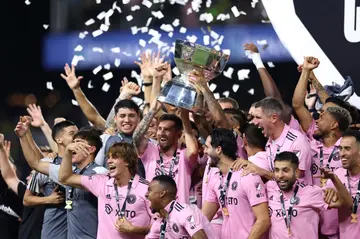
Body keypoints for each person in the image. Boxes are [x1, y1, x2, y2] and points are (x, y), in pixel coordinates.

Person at [59, 142, 152, 239]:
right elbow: (65, 178)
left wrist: (134, 229)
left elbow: (160, 225)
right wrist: (68, 151)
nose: (108, 161)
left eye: (114, 157)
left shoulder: (146, 188)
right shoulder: (101, 182)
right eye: (108, 157)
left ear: (127, 161)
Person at [202, 128, 270, 239]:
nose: (204, 152)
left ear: (218, 149)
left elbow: (263, 220)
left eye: (207, 147)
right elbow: (204, 218)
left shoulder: (247, 175)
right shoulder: (215, 177)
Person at [17, 118, 78, 239]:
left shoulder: (84, 163)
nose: (77, 137)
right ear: (59, 139)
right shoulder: (47, 165)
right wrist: (48, 199)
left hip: (80, 229)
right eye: (72, 134)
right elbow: (27, 199)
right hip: (54, 230)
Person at [267, 151, 352, 238]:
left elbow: (347, 203)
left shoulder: (312, 192)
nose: (280, 175)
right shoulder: (269, 188)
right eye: (277, 170)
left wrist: (334, 179)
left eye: (285, 170)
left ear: (296, 172)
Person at [133, 101, 199, 203]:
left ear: (178, 134)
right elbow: (136, 137)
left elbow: (194, 151)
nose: (161, 134)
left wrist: (184, 117)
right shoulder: (150, 150)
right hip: (152, 214)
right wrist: (153, 110)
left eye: (167, 130)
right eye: (159, 129)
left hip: (178, 216)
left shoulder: (183, 155)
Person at [252, 97, 313, 185]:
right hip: (278, 197)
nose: (254, 122)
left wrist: (263, 172)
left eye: (258, 117)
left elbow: (295, 178)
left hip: (297, 197)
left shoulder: (296, 141)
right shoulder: (270, 141)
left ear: (274, 118)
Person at [145, 175, 216, 239]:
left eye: (150, 190)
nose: (146, 194)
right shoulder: (160, 221)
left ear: (162, 193)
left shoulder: (186, 214)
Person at [94, 99, 146, 178]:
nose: (127, 120)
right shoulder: (104, 140)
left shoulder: (149, 143)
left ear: (138, 117)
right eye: (122, 116)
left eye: (131, 116)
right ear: (115, 118)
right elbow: (96, 171)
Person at [325, 129, 360, 238]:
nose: (342, 154)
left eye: (347, 149)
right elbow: (327, 199)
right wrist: (328, 193)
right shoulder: (337, 176)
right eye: (340, 149)